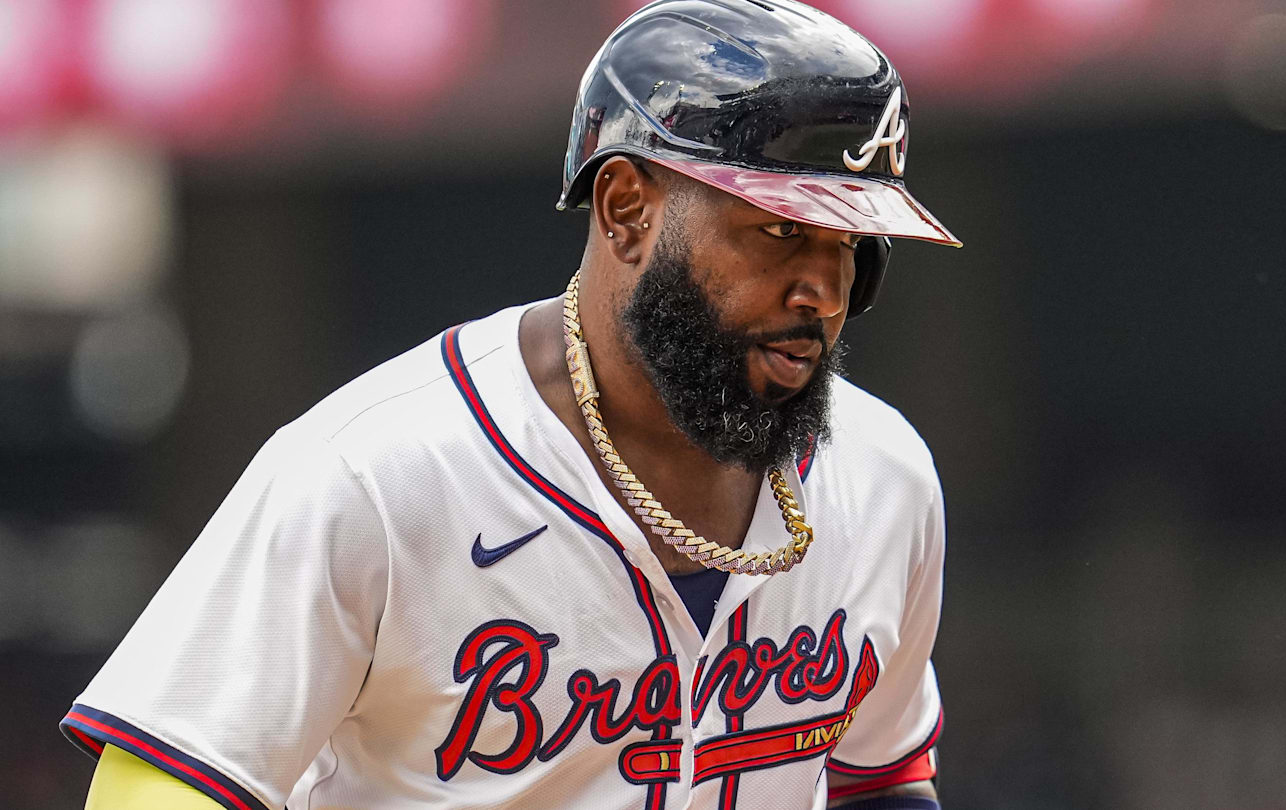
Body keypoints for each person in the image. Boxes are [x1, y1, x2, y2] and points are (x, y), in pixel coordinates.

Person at [64, 1, 962, 808]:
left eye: (850, 243)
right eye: (779, 229)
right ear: (625, 210)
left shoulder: (883, 478)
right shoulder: (374, 476)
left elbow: (879, 781)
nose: (822, 291)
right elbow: (161, 785)